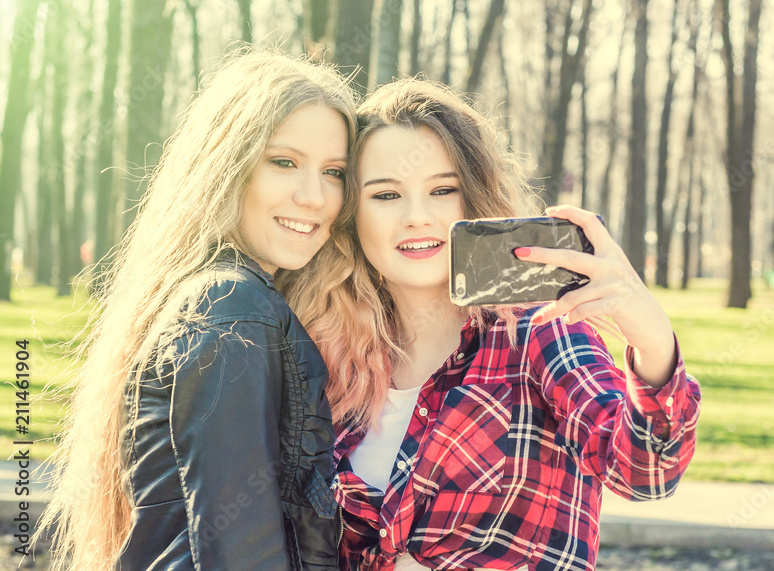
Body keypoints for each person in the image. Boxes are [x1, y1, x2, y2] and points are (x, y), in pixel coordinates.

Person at [281, 79, 701, 571]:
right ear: (353, 215)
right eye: (387, 195)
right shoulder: (327, 355)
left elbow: (644, 471)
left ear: (473, 197)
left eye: (442, 190)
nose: (417, 217)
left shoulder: (539, 327)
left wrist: (649, 334)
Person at [40, 50, 355, 570]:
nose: (314, 196)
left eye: (335, 172)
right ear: (229, 167)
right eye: (284, 162)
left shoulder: (222, 297)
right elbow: (240, 555)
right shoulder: (234, 309)